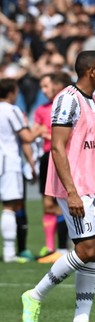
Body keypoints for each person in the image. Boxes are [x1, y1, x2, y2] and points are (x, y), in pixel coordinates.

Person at [20, 50, 95, 322]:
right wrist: (72, 192)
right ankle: (34, 296)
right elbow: (58, 148)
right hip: (75, 187)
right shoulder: (67, 99)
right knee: (85, 250)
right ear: (90, 72)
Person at [0, 78, 43, 263]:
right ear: (11, 93)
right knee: (10, 206)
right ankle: (10, 253)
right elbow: (26, 136)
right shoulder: (12, 110)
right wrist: (40, 130)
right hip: (8, 162)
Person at [33, 71, 73, 264]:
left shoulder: (66, 105)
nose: (44, 90)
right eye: (42, 87)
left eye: (46, 86)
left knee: (63, 202)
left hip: (60, 156)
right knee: (47, 204)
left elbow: (62, 135)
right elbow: (35, 131)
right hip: (46, 157)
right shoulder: (41, 109)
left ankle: (63, 246)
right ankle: (50, 247)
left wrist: (46, 134)